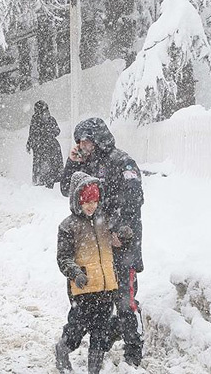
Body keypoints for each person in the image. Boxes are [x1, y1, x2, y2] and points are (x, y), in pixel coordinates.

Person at [60, 117, 144, 367]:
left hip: (121, 245)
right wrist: (72, 162)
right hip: (95, 247)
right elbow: (67, 189)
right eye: (79, 142)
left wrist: (121, 232)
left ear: (96, 139)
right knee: (98, 299)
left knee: (125, 301)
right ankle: (105, 338)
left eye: (84, 140)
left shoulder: (122, 162)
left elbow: (134, 201)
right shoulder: (85, 163)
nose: (81, 145)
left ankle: (133, 351)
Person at [55, 171, 118, 374]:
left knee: (100, 333)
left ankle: (94, 370)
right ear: (77, 201)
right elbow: (63, 258)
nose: (91, 206)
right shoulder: (68, 226)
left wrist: (123, 236)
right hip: (83, 289)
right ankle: (63, 348)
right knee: (77, 329)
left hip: (106, 288)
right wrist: (76, 273)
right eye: (86, 201)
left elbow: (115, 246)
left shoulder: (104, 221)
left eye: (94, 201)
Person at [26, 100, 63, 188]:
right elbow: (32, 134)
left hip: (52, 147)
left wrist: (50, 133)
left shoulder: (51, 119)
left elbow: (57, 131)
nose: (46, 112)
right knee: (43, 167)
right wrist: (29, 144)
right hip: (40, 148)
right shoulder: (35, 121)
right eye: (44, 111)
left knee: (54, 166)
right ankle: (42, 184)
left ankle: (51, 183)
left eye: (47, 110)